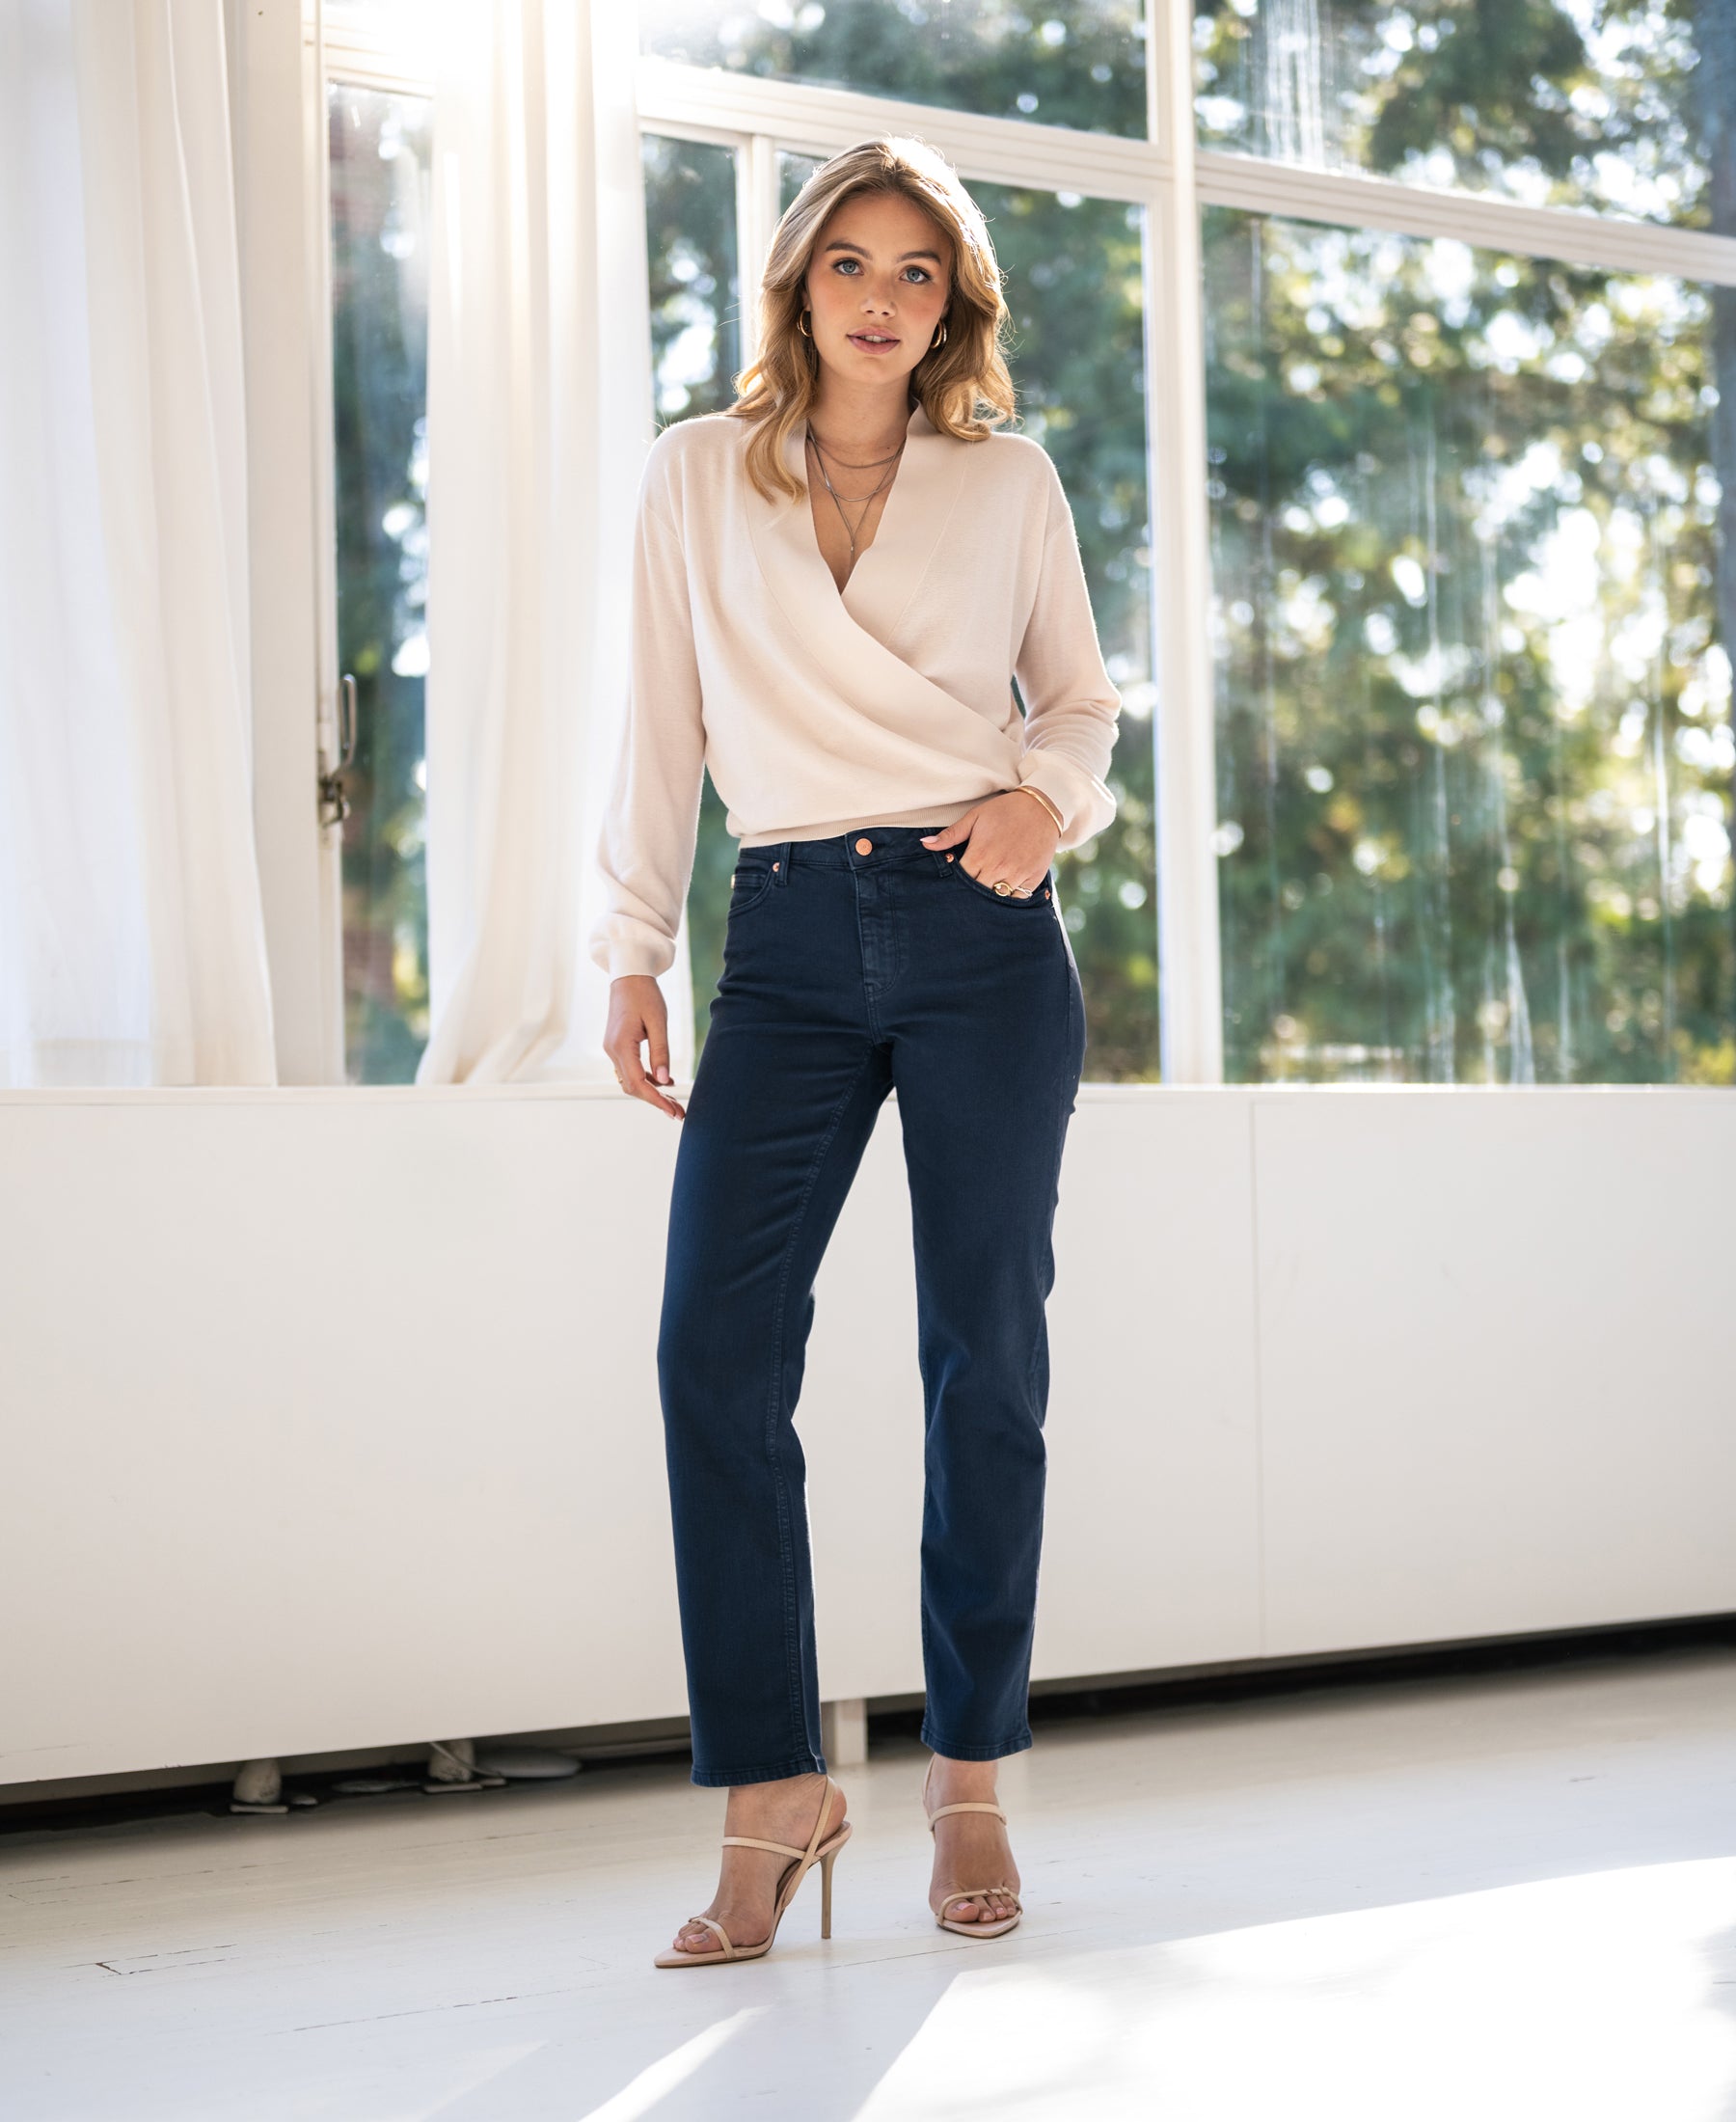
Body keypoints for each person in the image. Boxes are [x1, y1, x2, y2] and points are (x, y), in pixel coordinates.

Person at [589, 133, 1122, 1969]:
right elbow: (661, 725)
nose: (882, 298)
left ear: (950, 300)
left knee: (987, 1361)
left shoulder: (1008, 480)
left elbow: (1081, 700)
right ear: (798, 284)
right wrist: (633, 945)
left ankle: (970, 1775)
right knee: (712, 1351)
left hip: (985, 933)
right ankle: (775, 1793)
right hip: (791, 934)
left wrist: (1044, 804)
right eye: (850, 264)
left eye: (917, 270)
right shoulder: (694, 474)